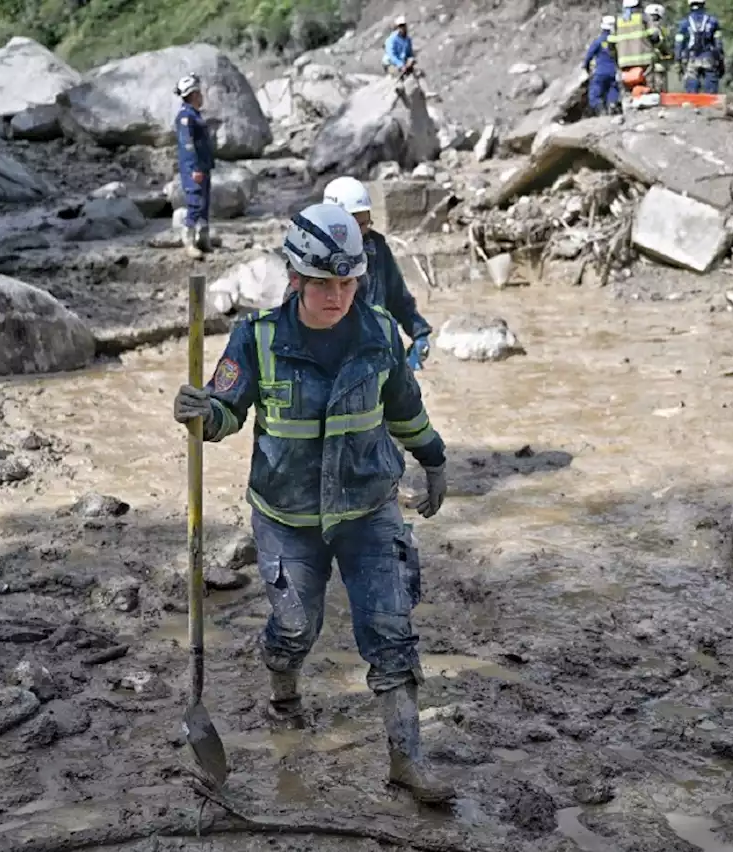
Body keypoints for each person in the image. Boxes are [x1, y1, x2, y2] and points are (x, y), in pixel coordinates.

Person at [172, 202, 454, 805]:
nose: (337, 295)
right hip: (287, 519)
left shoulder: (378, 331)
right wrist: (202, 415)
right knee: (298, 625)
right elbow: (225, 410)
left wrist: (432, 457)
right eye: (324, 283)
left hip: (369, 510)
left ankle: (407, 760)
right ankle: (283, 686)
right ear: (295, 278)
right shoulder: (258, 338)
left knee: (390, 627)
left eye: (348, 282)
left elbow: (404, 405)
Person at [322, 176, 434, 371]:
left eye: (367, 223)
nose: (364, 231)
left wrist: (419, 333)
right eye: (358, 225)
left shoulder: (377, 248)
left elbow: (397, 297)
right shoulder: (313, 256)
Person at [174, 74, 213, 259]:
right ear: (194, 94)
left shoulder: (195, 115)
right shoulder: (186, 117)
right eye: (199, 92)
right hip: (194, 169)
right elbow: (188, 146)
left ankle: (203, 239)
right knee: (195, 203)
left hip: (204, 166)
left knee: (204, 204)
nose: (202, 95)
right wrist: (195, 168)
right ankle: (188, 242)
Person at [610, 0, 660, 101]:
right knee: (648, 85)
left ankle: (629, 105)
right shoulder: (644, 18)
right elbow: (654, 37)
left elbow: (611, 43)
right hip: (644, 59)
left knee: (628, 86)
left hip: (624, 61)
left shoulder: (618, 21)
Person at [675, 0, 724, 95]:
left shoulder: (684, 23)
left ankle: (693, 106)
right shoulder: (712, 21)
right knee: (711, 89)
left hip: (691, 59)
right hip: (708, 58)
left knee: (691, 89)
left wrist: (678, 61)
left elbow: (678, 44)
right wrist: (720, 60)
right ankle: (711, 106)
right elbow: (719, 45)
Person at [583, 15, 622, 118]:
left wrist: (586, 67)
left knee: (594, 94)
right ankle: (612, 106)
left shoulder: (598, 41)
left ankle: (601, 112)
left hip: (600, 72)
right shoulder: (617, 41)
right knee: (612, 90)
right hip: (613, 72)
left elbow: (589, 56)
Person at [644, 3, 672, 93]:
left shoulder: (660, 29)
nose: (654, 20)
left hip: (654, 63)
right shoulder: (655, 29)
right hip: (653, 63)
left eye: (656, 18)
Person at [384, 15, 417, 79]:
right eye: (400, 26)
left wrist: (411, 59)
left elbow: (410, 53)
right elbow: (391, 55)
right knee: (400, 78)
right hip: (390, 64)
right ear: (397, 27)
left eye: (403, 25)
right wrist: (400, 65)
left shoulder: (408, 39)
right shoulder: (391, 39)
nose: (402, 28)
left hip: (403, 62)